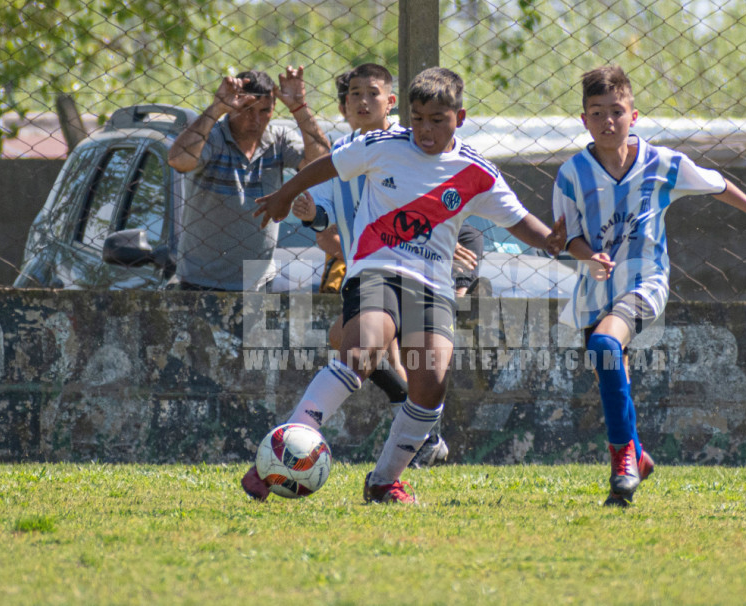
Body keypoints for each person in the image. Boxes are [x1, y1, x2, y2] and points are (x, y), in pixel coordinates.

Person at [245, 66, 565, 504]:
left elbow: (522, 223)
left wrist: (556, 241)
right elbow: (327, 166)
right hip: (376, 270)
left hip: (432, 286)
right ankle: (276, 457)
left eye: (438, 120)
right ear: (407, 115)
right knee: (360, 346)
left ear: (460, 117)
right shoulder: (381, 146)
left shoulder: (476, 171)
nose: (426, 130)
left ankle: (382, 482)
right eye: (418, 119)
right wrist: (286, 195)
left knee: (430, 381)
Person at [553, 65, 746, 507]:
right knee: (613, 371)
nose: (608, 121)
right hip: (595, 288)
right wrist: (586, 254)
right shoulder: (572, 174)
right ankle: (637, 455)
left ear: (634, 115)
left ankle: (622, 466)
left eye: (617, 111)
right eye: (598, 113)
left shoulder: (663, 163)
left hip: (645, 282)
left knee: (606, 348)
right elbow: (569, 236)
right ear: (584, 120)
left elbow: (720, 184)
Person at [297, 63, 454, 470]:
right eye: (354, 94)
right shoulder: (341, 155)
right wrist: (311, 211)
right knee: (364, 347)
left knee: (365, 346)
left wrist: (460, 240)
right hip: (365, 275)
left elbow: (450, 185)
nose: (362, 101)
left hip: (412, 271)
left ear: (390, 101)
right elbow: (324, 215)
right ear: (345, 103)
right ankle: (424, 438)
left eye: (372, 93)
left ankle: (417, 439)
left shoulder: (410, 144)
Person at [167, 67, 330, 291]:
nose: (255, 119)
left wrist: (299, 107)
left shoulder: (278, 140)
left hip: (259, 281)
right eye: (246, 109)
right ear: (231, 107)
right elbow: (179, 160)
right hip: (199, 281)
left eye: (265, 111)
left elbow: (322, 164)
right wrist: (215, 108)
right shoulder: (213, 138)